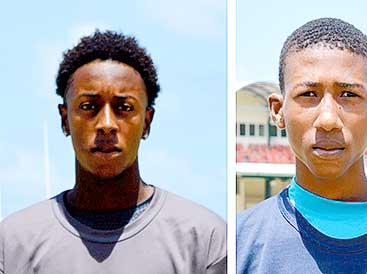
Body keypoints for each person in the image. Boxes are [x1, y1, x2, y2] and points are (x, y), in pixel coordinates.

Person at [0, 30, 226, 274]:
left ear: (147, 122)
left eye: (124, 108)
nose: (106, 123)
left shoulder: (205, 240)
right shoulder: (13, 243)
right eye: (88, 106)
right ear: (65, 119)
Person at [235, 17, 367, 273]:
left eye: (349, 95)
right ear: (278, 111)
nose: (328, 119)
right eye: (308, 95)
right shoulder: (241, 243)